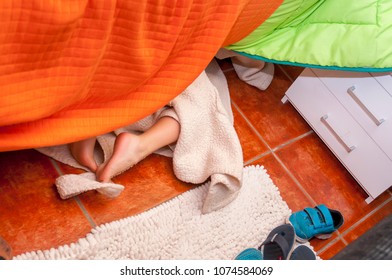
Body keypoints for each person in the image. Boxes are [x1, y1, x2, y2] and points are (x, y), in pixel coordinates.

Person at [69, 115, 180, 183]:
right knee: (191, 106)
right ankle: (142, 144)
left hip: (114, 103)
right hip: (149, 106)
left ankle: (87, 123)